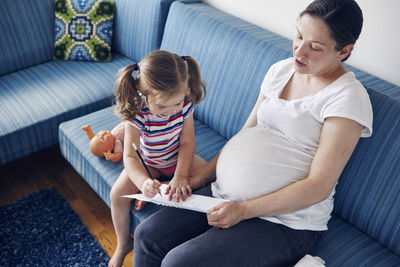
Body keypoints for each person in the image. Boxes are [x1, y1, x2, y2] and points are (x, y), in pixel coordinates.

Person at [133, 0, 373, 266]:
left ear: (344, 51)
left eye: (315, 47)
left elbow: (319, 186)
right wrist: (199, 178)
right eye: (299, 36)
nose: (299, 52)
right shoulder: (281, 71)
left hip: (285, 222)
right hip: (225, 194)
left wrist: (244, 210)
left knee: (179, 263)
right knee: (147, 236)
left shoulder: (347, 98)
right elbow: (246, 133)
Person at [108, 50, 207, 267]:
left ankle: (161, 188)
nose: (171, 111)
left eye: (177, 103)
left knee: (211, 175)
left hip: (177, 158)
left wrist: (180, 175)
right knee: (117, 194)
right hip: (149, 163)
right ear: (144, 93)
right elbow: (131, 157)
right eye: (162, 106)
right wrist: (142, 181)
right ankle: (123, 244)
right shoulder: (138, 113)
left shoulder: (186, 104)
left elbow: (187, 143)